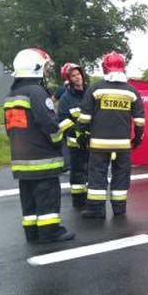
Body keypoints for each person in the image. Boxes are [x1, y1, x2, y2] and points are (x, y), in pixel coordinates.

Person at [3, 48, 75, 243]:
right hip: (42, 159)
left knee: (29, 200)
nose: (45, 72)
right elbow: (49, 125)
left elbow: (9, 129)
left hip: (21, 160)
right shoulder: (36, 92)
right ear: (36, 69)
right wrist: (61, 139)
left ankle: (32, 232)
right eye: (44, 68)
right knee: (47, 197)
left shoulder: (12, 95)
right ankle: (51, 232)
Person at [76, 51, 145, 219]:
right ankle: (119, 209)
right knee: (121, 175)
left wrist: (81, 134)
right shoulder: (131, 91)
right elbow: (139, 120)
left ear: (104, 68)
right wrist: (137, 138)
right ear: (123, 69)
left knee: (97, 174)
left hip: (99, 144)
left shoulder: (95, 88)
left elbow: (84, 117)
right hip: (122, 145)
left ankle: (96, 209)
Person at [57, 63, 89, 207]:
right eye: (73, 76)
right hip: (75, 142)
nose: (77, 77)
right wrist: (78, 134)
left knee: (92, 170)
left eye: (78, 74)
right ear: (69, 79)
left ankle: (92, 198)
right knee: (77, 172)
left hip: (91, 141)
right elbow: (63, 121)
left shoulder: (90, 93)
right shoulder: (66, 98)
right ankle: (78, 201)